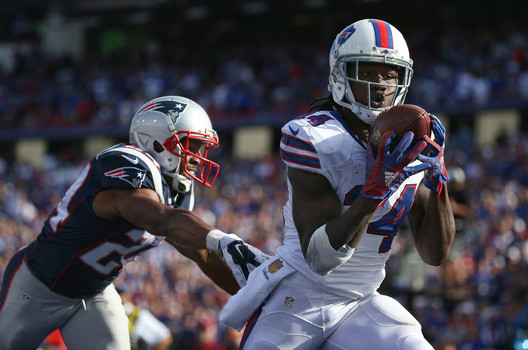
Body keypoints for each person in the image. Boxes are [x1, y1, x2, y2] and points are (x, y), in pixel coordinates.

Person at [220, 19, 456, 349]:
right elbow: (320, 258)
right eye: (369, 71)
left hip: (360, 302)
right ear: (340, 75)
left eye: (389, 74)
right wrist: (377, 188)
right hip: (300, 296)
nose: (380, 84)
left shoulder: (411, 143)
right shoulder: (316, 137)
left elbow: (436, 254)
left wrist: (440, 182)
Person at [0, 95, 268, 350]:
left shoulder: (176, 193)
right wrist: (222, 240)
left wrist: (263, 298)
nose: (199, 157)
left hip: (94, 294)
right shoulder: (125, 163)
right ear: (158, 142)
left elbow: (205, 257)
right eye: (193, 145)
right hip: (37, 285)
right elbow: (158, 218)